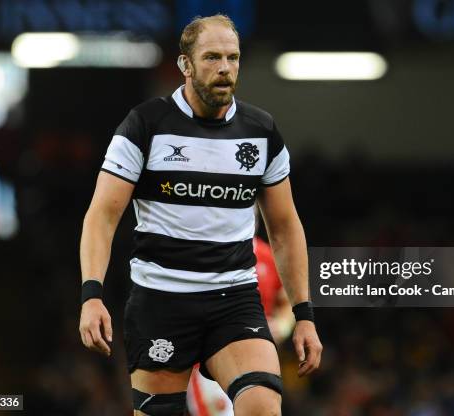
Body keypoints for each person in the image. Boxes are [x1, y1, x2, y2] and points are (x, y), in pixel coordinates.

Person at [78, 14, 322, 416]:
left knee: (262, 405)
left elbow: (284, 227)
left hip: (234, 299)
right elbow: (101, 217)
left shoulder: (261, 132)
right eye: (211, 57)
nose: (224, 68)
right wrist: (91, 295)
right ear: (185, 65)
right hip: (161, 300)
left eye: (233, 58)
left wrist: (304, 315)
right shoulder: (144, 125)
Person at [186, 227, 295, 416]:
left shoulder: (268, 255)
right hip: (209, 364)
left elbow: (288, 301)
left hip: (257, 360)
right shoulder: (203, 251)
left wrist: (282, 326)